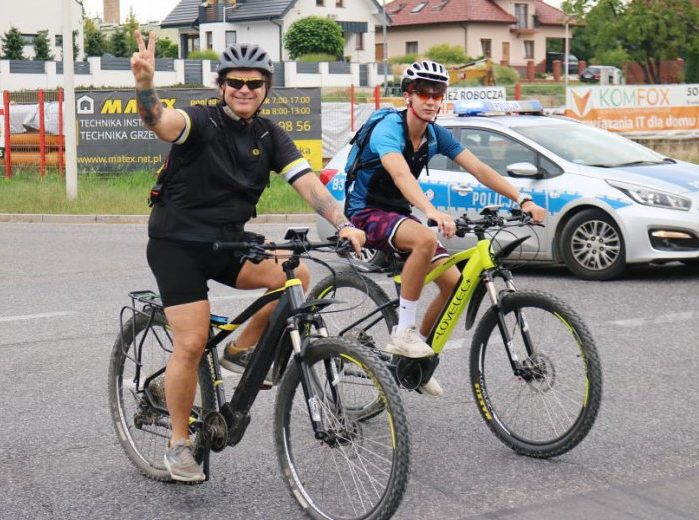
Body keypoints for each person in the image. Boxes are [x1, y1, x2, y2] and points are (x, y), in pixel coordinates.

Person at [130, 32, 366, 483]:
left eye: (254, 84)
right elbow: (159, 121)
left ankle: (240, 350)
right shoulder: (199, 122)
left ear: (266, 89)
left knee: (296, 272)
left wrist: (343, 222)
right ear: (221, 86)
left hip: (228, 242)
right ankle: (179, 443)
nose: (244, 90)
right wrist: (145, 85)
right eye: (235, 82)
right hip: (177, 243)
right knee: (193, 341)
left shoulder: (269, 134)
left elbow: (309, 184)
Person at [345, 60, 546, 398]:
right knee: (425, 236)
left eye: (438, 93)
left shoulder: (435, 135)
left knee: (454, 284)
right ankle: (403, 332)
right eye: (423, 92)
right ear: (408, 95)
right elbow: (399, 174)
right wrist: (430, 210)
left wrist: (522, 198)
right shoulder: (388, 129)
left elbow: (480, 168)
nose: (431, 99)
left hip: (399, 214)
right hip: (366, 212)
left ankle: (413, 362)